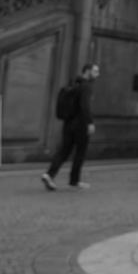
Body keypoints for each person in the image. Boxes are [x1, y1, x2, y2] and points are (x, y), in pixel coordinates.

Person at [41, 63, 99, 191]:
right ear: (87, 71)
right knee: (80, 152)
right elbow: (85, 106)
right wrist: (90, 122)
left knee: (64, 151)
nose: (97, 74)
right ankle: (74, 180)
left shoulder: (73, 84)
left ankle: (49, 174)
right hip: (81, 124)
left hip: (68, 123)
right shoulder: (86, 87)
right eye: (95, 71)